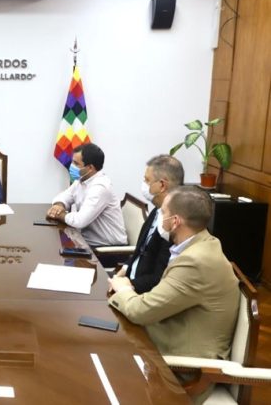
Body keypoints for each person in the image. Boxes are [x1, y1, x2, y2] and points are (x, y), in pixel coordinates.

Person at [108, 187, 239, 375]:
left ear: (175, 221)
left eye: (163, 213)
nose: (159, 218)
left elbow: (141, 312)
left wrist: (123, 288)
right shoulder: (203, 243)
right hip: (166, 338)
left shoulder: (194, 262)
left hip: (185, 368)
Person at [117, 155, 184, 293]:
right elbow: (142, 250)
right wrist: (125, 268)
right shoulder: (157, 210)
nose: (144, 184)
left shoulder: (173, 225)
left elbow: (160, 278)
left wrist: (127, 285)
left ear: (162, 185)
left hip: (141, 292)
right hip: (127, 281)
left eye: (147, 180)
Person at [46, 143, 126, 246]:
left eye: (76, 163)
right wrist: (59, 205)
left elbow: (79, 221)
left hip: (107, 248)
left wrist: (59, 214)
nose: (71, 166)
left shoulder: (100, 187)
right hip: (87, 241)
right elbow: (64, 196)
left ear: (90, 168)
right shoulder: (81, 181)